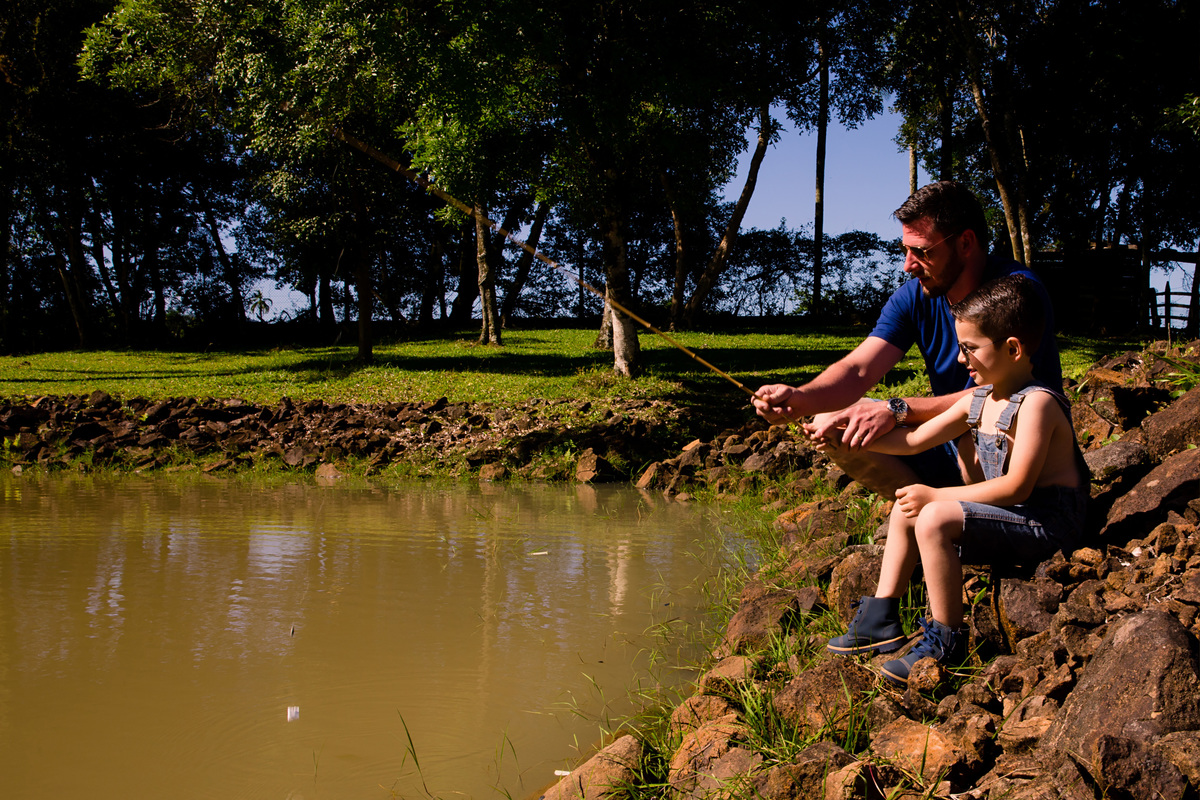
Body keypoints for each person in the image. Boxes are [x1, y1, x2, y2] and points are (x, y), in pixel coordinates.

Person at [824, 274, 1088, 685]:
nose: (961, 359)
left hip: (1049, 523)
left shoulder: (1037, 405)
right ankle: (880, 617)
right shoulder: (980, 399)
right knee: (907, 506)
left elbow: (1017, 487)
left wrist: (935, 495)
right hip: (1015, 513)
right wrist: (850, 438)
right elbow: (913, 441)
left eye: (970, 348)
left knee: (932, 516)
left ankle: (947, 641)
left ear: (1013, 349)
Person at [752, 181, 1062, 497]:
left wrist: (897, 410)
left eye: (922, 251)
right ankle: (918, 507)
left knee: (974, 443)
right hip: (942, 437)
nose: (908, 265)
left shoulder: (1017, 295)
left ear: (965, 242)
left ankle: (969, 514)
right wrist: (800, 399)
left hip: (1007, 442)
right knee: (832, 422)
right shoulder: (914, 297)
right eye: (905, 250)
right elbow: (859, 369)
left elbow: (1002, 397)